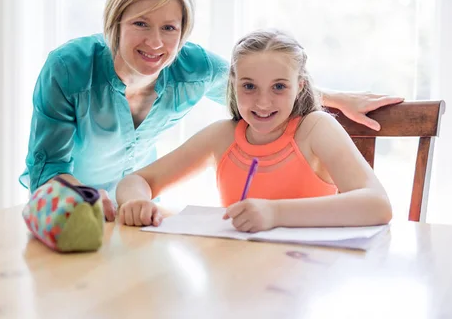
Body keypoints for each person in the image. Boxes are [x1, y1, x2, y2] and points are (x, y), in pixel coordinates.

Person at [21, 0, 401, 222]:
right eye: (141, 23)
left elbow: (261, 82)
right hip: (72, 209)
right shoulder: (69, 68)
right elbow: (47, 170)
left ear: (183, 31)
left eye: (170, 28)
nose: (156, 42)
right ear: (114, 22)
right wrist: (101, 200)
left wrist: (334, 98)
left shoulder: (194, 66)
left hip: (135, 216)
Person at [116, 29, 393, 231]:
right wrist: (136, 202)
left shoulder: (315, 129)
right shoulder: (222, 136)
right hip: (238, 275)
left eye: (279, 87)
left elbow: (377, 205)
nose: (262, 102)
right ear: (233, 85)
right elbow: (136, 181)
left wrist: (275, 213)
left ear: (300, 87)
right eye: (249, 86)